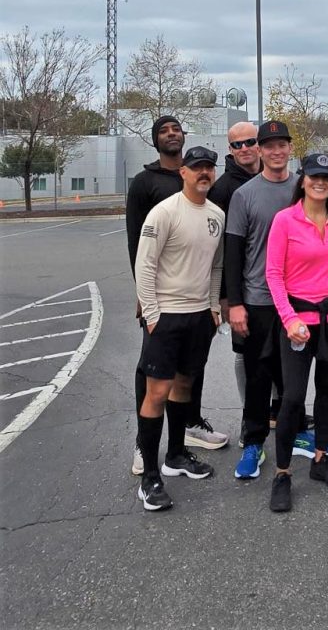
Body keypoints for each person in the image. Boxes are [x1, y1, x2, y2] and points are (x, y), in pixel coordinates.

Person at [126, 116, 228, 478]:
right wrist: (151, 312)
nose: (204, 173)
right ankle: (149, 470)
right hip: (165, 315)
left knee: (184, 385)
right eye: (197, 168)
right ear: (183, 172)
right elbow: (144, 261)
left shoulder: (216, 214)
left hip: (200, 316)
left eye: (209, 168)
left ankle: (176, 454)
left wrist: (214, 308)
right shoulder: (162, 209)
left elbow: (216, 267)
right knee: (156, 389)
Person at [265, 154, 328, 512]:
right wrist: (289, 318)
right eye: (314, 177)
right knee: (292, 398)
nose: (320, 183)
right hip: (297, 322)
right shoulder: (285, 220)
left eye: (326, 177)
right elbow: (274, 274)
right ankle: (282, 473)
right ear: (303, 179)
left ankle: (322, 459)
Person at [225, 120, 299, 480]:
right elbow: (234, 253)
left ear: (289, 148)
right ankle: (254, 442)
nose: (275, 151)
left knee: (292, 376)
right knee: (258, 376)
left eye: (280, 145)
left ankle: (293, 431)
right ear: (259, 151)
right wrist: (235, 303)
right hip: (257, 299)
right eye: (268, 146)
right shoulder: (245, 195)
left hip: (298, 299)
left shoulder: (304, 187)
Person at [208, 121, 262, 444]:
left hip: (275, 287)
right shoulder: (224, 190)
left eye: (249, 142)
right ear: (230, 149)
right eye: (237, 145)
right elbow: (218, 249)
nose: (243, 148)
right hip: (240, 289)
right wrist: (226, 297)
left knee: (278, 352)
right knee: (244, 353)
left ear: (259, 144)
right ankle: (249, 415)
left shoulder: (278, 178)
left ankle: (275, 410)